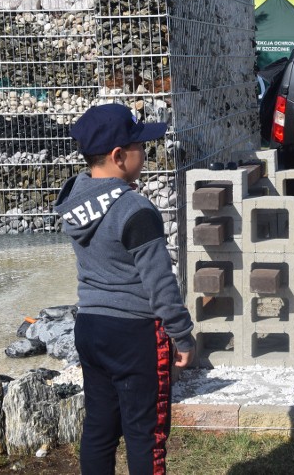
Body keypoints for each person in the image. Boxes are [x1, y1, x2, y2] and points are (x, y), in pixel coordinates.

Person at [55, 103, 195, 475]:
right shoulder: (135, 209)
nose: (147, 156)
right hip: (134, 334)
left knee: (99, 429)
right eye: (141, 149)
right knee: (144, 433)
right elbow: (160, 282)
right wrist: (182, 335)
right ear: (119, 156)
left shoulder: (75, 197)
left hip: (90, 327)